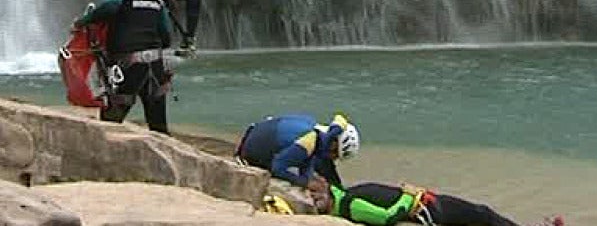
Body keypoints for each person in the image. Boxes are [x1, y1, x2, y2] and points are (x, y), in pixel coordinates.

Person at [73, 0, 173, 134]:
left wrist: (84, 21)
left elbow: (110, 6)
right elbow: (166, 35)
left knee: (110, 124)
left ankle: (102, 163)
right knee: (159, 126)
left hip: (128, 64)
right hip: (156, 65)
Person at [308, 179, 563, 226]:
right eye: (313, 197)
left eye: (316, 194)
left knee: (481, 215)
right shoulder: (351, 204)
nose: (314, 199)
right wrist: (409, 196)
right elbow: (386, 217)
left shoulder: (347, 197)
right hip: (426, 209)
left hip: (426, 204)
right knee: (481, 214)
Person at [235, 113, 359, 190]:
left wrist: (308, 178)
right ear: (333, 145)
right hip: (251, 152)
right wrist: (304, 183)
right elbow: (277, 167)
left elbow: (307, 160)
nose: (333, 159)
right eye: (335, 155)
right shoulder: (308, 141)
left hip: (252, 134)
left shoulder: (312, 128)